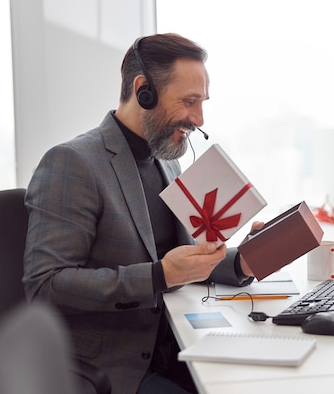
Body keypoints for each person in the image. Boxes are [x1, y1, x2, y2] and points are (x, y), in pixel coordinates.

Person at [23, 33, 257, 394]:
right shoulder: (73, 162)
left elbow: (177, 259)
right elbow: (46, 285)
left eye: (202, 102)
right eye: (189, 101)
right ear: (143, 89)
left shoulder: (167, 161)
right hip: (113, 368)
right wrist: (157, 276)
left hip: (177, 348)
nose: (199, 118)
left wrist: (243, 261)